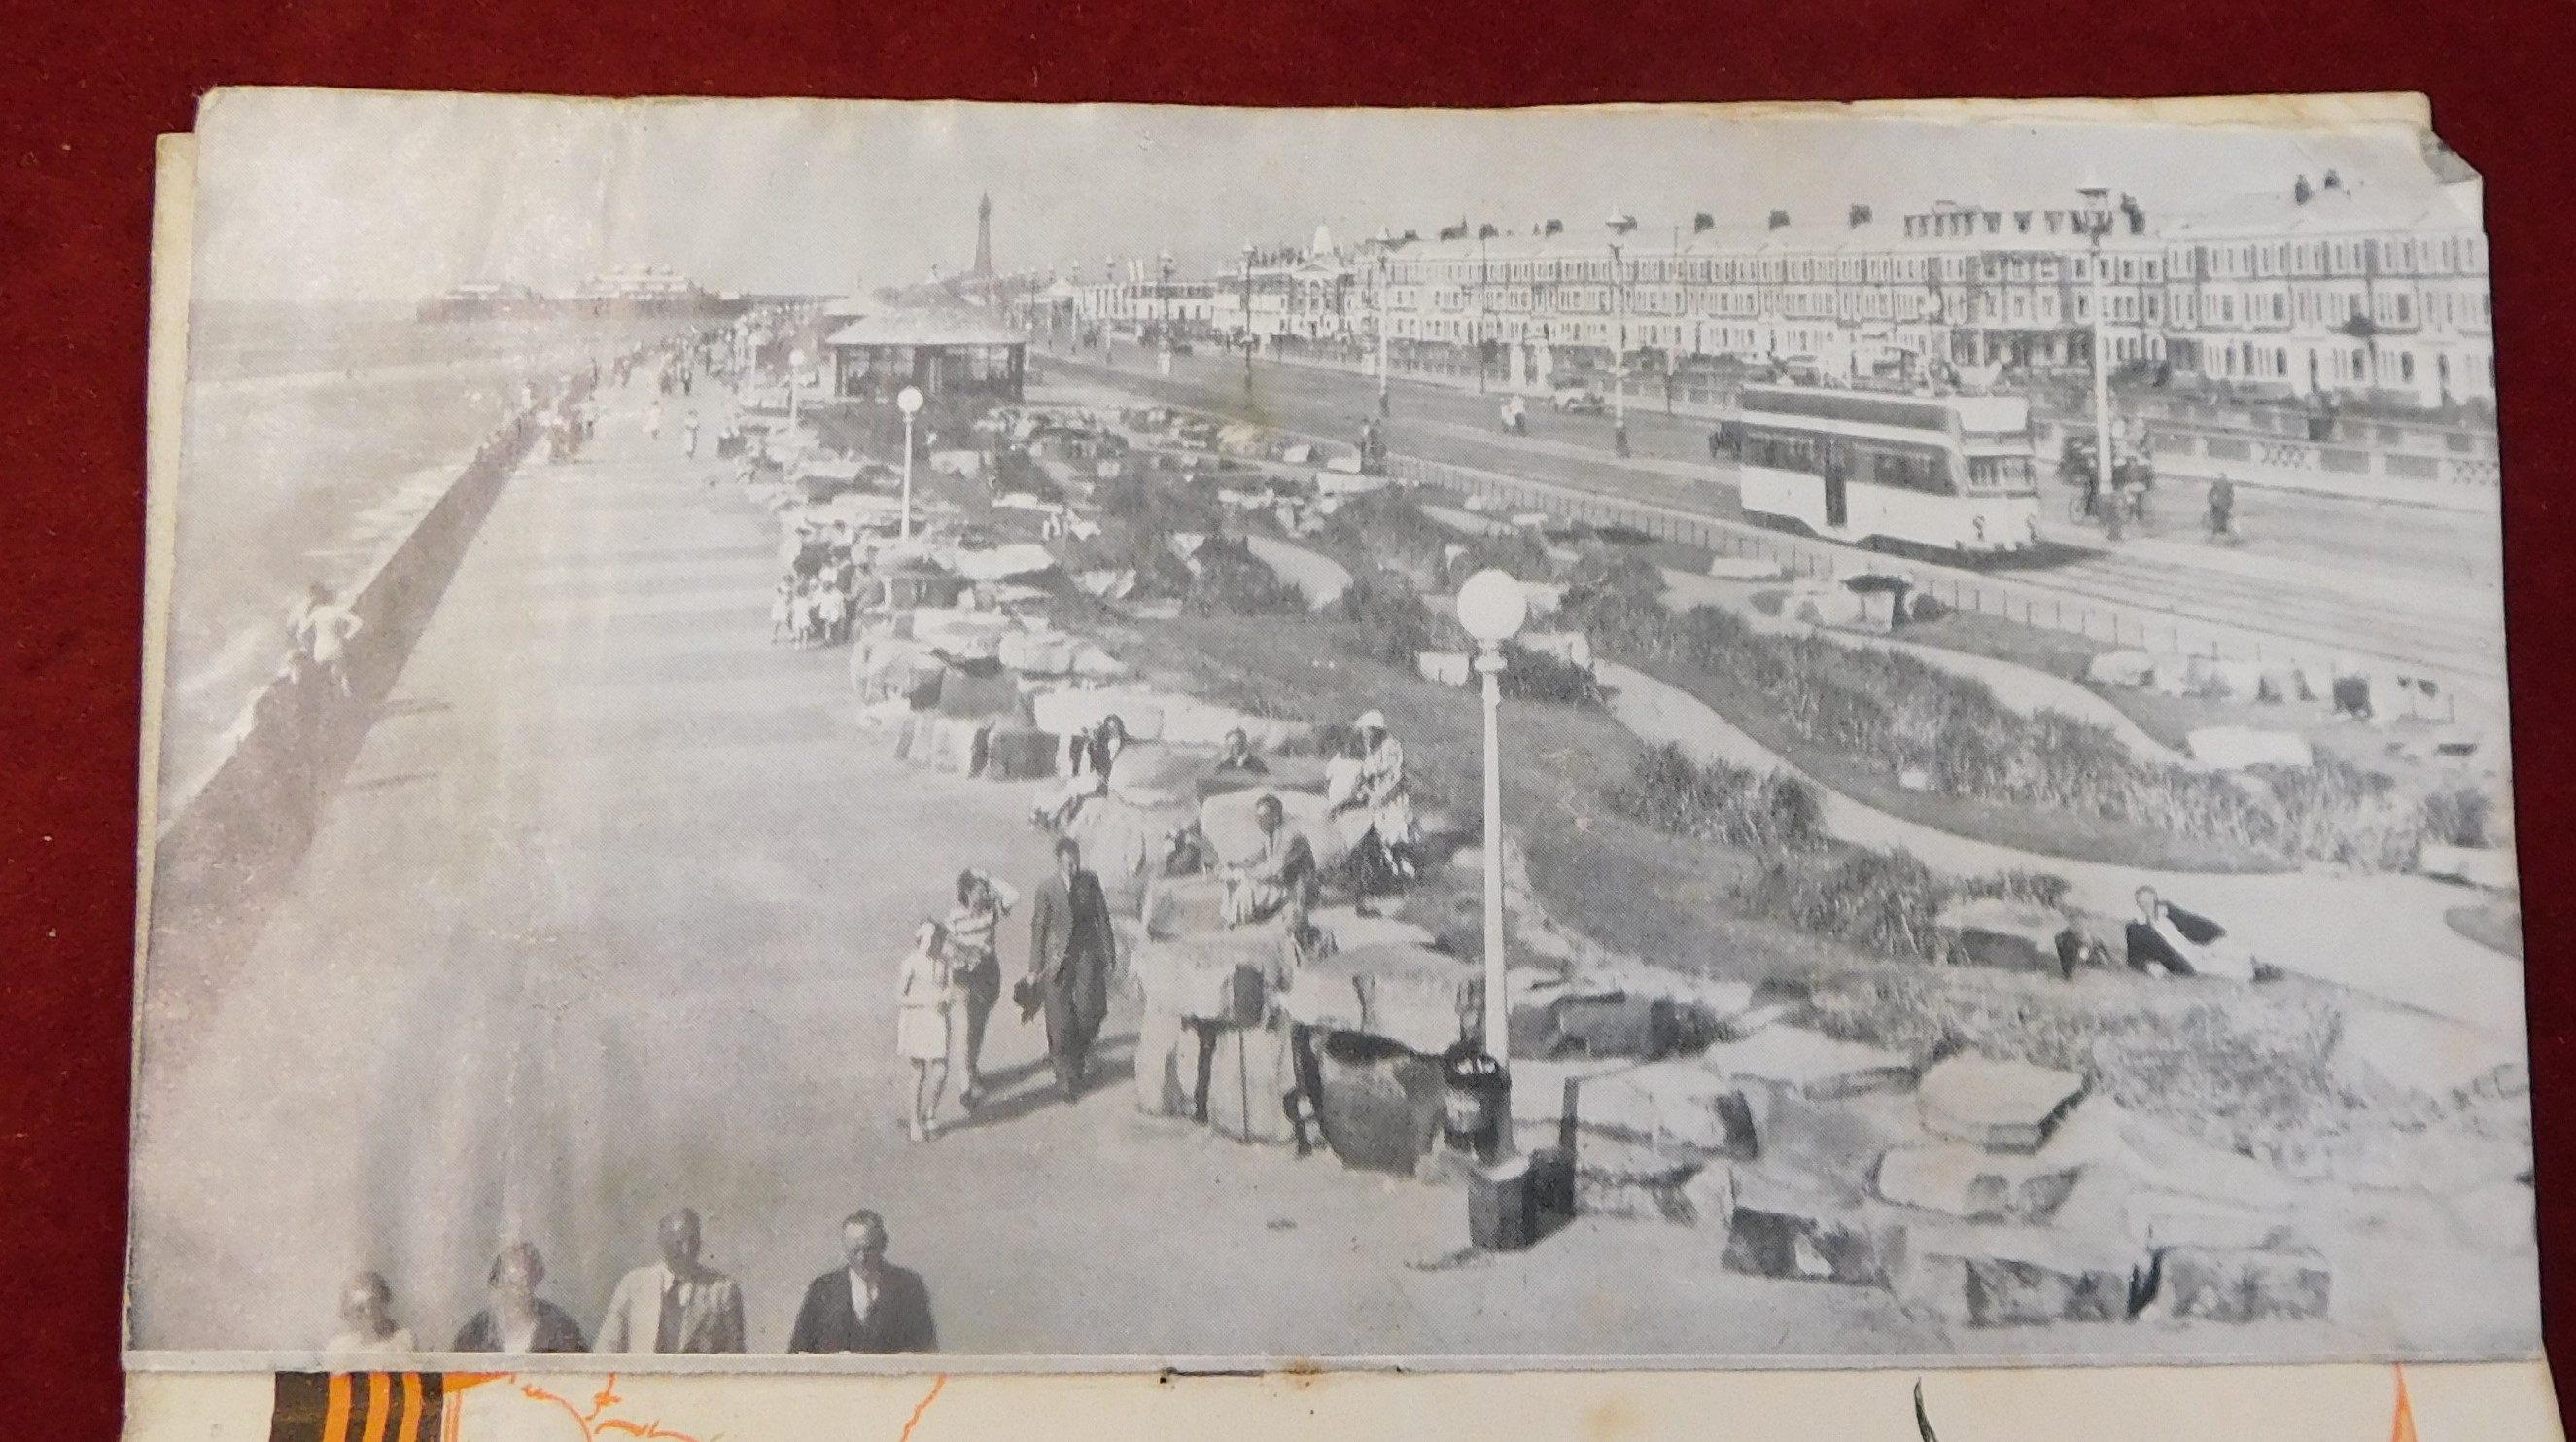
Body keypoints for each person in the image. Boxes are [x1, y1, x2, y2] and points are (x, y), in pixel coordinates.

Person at [1027, 837, 1115, 1102]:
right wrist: (1035, 967)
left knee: (1090, 1011)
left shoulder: (1090, 882)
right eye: (1069, 861)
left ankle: (1078, 1057)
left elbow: (1102, 917)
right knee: (1059, 1019)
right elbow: (1039, 929)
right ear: (1059, 861)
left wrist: (1110, 953)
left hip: (1086, 955)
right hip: (1057, 959)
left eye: (1076, 859)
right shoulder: (1047, 888)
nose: (1074, 865)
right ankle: (1065, 1078)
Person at [594, 1209, 748, 1354]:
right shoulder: (633, 1285)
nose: (687, 1250)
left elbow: (735, 1355)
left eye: (693, 1241)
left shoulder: (723, 1290)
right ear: (662, 1241)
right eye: (678, 1243)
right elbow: (607, 1348)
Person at [787, 1211, 937, 1354]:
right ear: (845, 1248)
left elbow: (926, 1348)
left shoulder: (908, 1286)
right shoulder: (822, 1290)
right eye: (855, 1250)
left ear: (883, 1245)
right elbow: (799, 1350)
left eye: (869, 1249)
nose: (862, 1258)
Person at [944, 868, 1021, 1109]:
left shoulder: (990, 912)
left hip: (987, 978)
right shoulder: (955, 917)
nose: (984, 893)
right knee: (964, 1030)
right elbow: (945, 947)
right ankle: (966, 1086)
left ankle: (972, 1069)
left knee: (977, 1029)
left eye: (984, 889)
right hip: (962, 978)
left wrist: (987, 877)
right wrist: (964, 955)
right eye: (979, 889)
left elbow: (1013, 895)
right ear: (967, 892)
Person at [1331, 710, 1416, 904]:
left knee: (1395, 838)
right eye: (1364, 732)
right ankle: (1380, 879)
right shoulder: (1371, 751)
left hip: (1392, 801)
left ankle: (1404, 879)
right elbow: (1364, 777)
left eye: (1370, 731)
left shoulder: (1391, 747)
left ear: (1377, 731)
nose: (1366, 735)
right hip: (1375, 801)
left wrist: (1382, 797)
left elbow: (1398, 779)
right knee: (1373, 837)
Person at [452, 1243, 589, 1353]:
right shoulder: (475, 1334)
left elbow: (583, 1379)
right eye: (510, 1284)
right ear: (496, 1285)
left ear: (535, 1281)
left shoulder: (561, 1331)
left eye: (524, 1283)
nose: (517, 1293)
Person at [1221, 794, 1318, 930]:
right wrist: (1237, 864)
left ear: (1276, 817)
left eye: (1262, 817)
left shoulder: (1290, 837)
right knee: (1232, 878)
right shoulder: (1271, 835)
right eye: (1257, 817)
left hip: (1297, 889)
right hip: (1281, 884)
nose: (1258, 821)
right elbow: (1259, 856)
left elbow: (1274, 869)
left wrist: (1248, 873)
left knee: (1247, 884)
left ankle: (1236, 923)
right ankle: (1232, 920)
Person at [2123, 886, 2258, 982]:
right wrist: (2148, 966)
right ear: (2138, 905)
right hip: (2186, 961)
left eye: (2150, 902)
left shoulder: (2168, 912)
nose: (2147, 906)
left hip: (2199, 948)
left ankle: (2260, 966)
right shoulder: (2136, 929)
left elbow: (2193, 921)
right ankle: (2258, 975)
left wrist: (2218, 932)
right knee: (2231, 970)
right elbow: (2133, 957)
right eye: (2143, 903)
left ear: (2155, 900)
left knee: (2235, 951)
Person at [896, 920, 954, 1143]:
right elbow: (900, 996)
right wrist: (924, 1001)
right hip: (917, 1019)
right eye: (933, 940)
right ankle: (914, 1121)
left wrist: (946, 996)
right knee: (918, 1072)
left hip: (938, 1019)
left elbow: (949, 985)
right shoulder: (910, 963)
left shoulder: (944, 961)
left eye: (939, 940)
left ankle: (930, 1113)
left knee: (940, 1071)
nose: (937, 945)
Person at [290, 582, 365, 697]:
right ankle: (345, 694)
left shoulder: (316, 613)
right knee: (342, 673)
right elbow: (358, 623)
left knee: (328, 675)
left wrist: (304, 613)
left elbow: (303, 631)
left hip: (320, 652)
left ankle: (334, 691)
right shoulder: (338, 610)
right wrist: (348, 636)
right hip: (336, 649)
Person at [323, 1271, 416, 1355]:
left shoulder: (403, 1342)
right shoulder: (339, 1347)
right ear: (347, 1313)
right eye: (360, 1308)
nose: (369, 1312)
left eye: (373, 1304)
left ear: (384, 1302)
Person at [2206, 474, 2237, 541]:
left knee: (2216, 519)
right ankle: (2223, 533)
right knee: (2223, 518)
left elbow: (2211, 492)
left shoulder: (2216, 483)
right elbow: (2231, 495)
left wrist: (2211, 500)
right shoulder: (2228, 484)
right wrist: (2229, 503)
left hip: (2217, 504)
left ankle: (2214, 534)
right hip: (2224, 505)